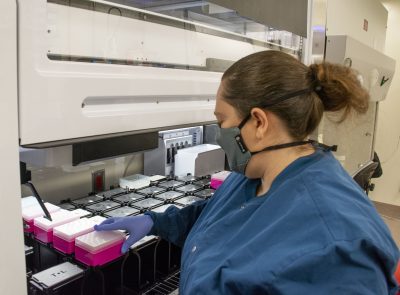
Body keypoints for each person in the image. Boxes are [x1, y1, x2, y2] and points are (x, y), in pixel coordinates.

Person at [95, 50, 399, 294]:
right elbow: (218, 218)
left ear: (259, 123)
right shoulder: (254, 174)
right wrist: (154, 222)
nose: (218, 134)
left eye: (223, 121)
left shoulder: (335, 250)